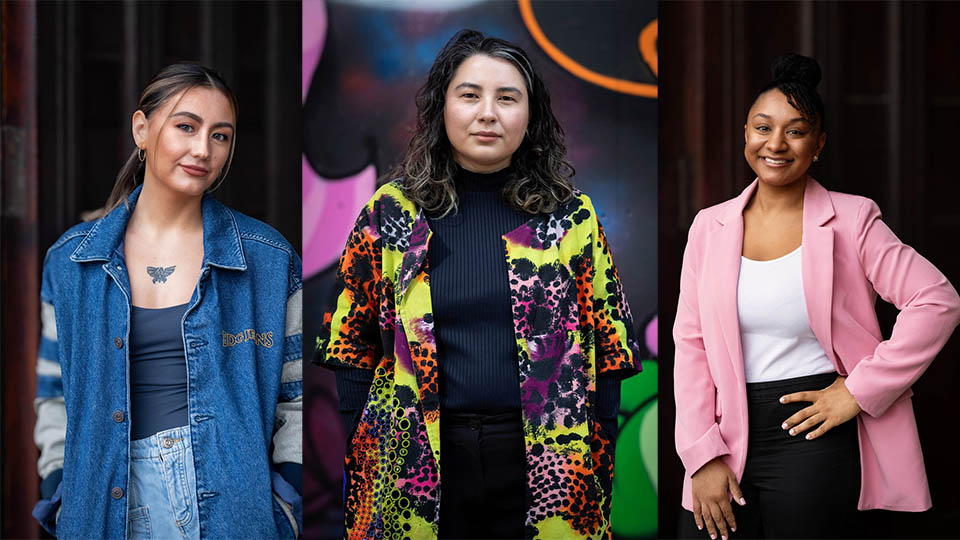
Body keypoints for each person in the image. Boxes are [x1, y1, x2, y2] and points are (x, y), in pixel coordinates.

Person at [315, 29, 640, 540]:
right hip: (412, 457)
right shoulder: (392, 212)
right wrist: (364, 441)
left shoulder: (571, 218)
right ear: (442, 107)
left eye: (507, 98)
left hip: (548, 460)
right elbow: (349, 342)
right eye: (469, 95)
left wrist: (596, 450)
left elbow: (610, 347)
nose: (487, 113)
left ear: (530, 115)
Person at [673, 53, 960, 540]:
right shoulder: (710, 225)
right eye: (763, 127)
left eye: (796, 131)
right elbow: (691, 343)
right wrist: (701, 455)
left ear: (818, 143)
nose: (776, 144)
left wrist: (858, 390)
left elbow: (936, 300)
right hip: (725, 432)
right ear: (746, 133)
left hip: (814, 431)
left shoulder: (853, 220)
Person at [32, 63, 303, 539]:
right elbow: (53, 393)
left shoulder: (267, 260)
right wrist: (60, 486)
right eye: (186, 127)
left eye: (221, 136)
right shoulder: (71, 262)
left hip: (231, 509)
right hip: (101, 505)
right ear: (142, 129)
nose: (203, 149)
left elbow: (296, 398)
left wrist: (283, 502)